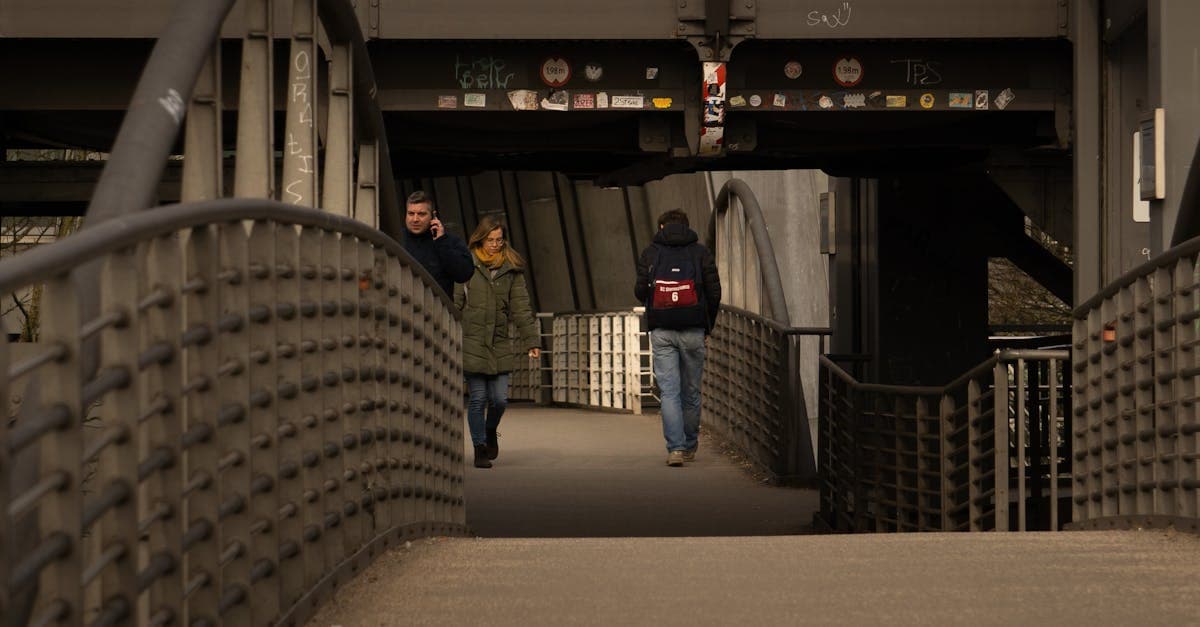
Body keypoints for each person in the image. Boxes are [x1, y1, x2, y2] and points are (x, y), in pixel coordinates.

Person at [634, 209, 721, 467]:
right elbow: (715, 293)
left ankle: (675, 449)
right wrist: (707, 327)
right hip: (694, 329)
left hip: (662, 330)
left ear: (662, 226)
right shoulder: (700, 252)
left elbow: (640, 290)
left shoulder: (651, 253)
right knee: (691, 391)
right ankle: (691, 445)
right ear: (687, 226)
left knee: (670, 392)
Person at [454, 216, 541, 469]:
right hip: (472, 341)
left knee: (500, 399)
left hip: (499, 341)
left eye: (499, 240)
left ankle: (491, 429)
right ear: (480, 239)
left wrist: (531, 341)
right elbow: (455, 304)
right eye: (490, 240)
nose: (494, 244)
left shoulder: (510, 269)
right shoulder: (466, 265)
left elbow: (521, 308)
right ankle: (479, 447)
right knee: (478, 398)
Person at [401, 190, 473, 296]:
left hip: (437, 310)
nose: (415, 219)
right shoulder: (396, 239)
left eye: (421, 214)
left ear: (433, 215)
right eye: (411, 213)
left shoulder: (449, 242)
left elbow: (463, 275)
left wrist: (441, 242)